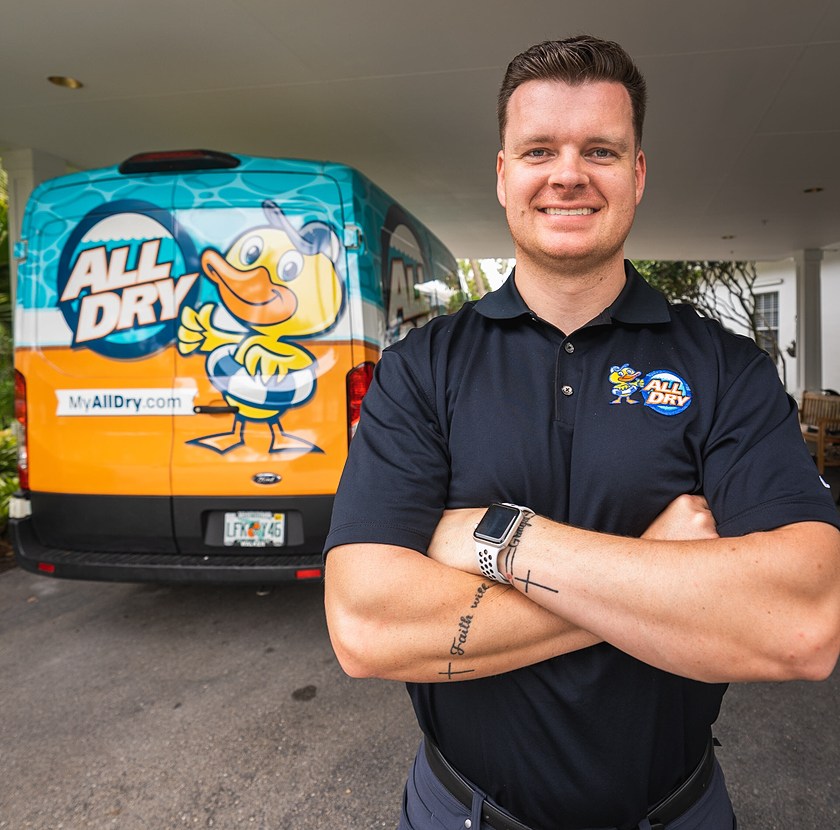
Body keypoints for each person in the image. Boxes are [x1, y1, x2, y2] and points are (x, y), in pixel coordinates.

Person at [323, 35, 840, 830]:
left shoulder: (726, 367)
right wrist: (663, 576)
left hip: (677, 812)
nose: (568, 173)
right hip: (460, 812)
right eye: (539, 150)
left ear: (636, 174)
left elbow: (805, 622)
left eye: (600, 149)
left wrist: (502, 542)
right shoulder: (420, 368)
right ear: (503, 175)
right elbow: (365, 626)